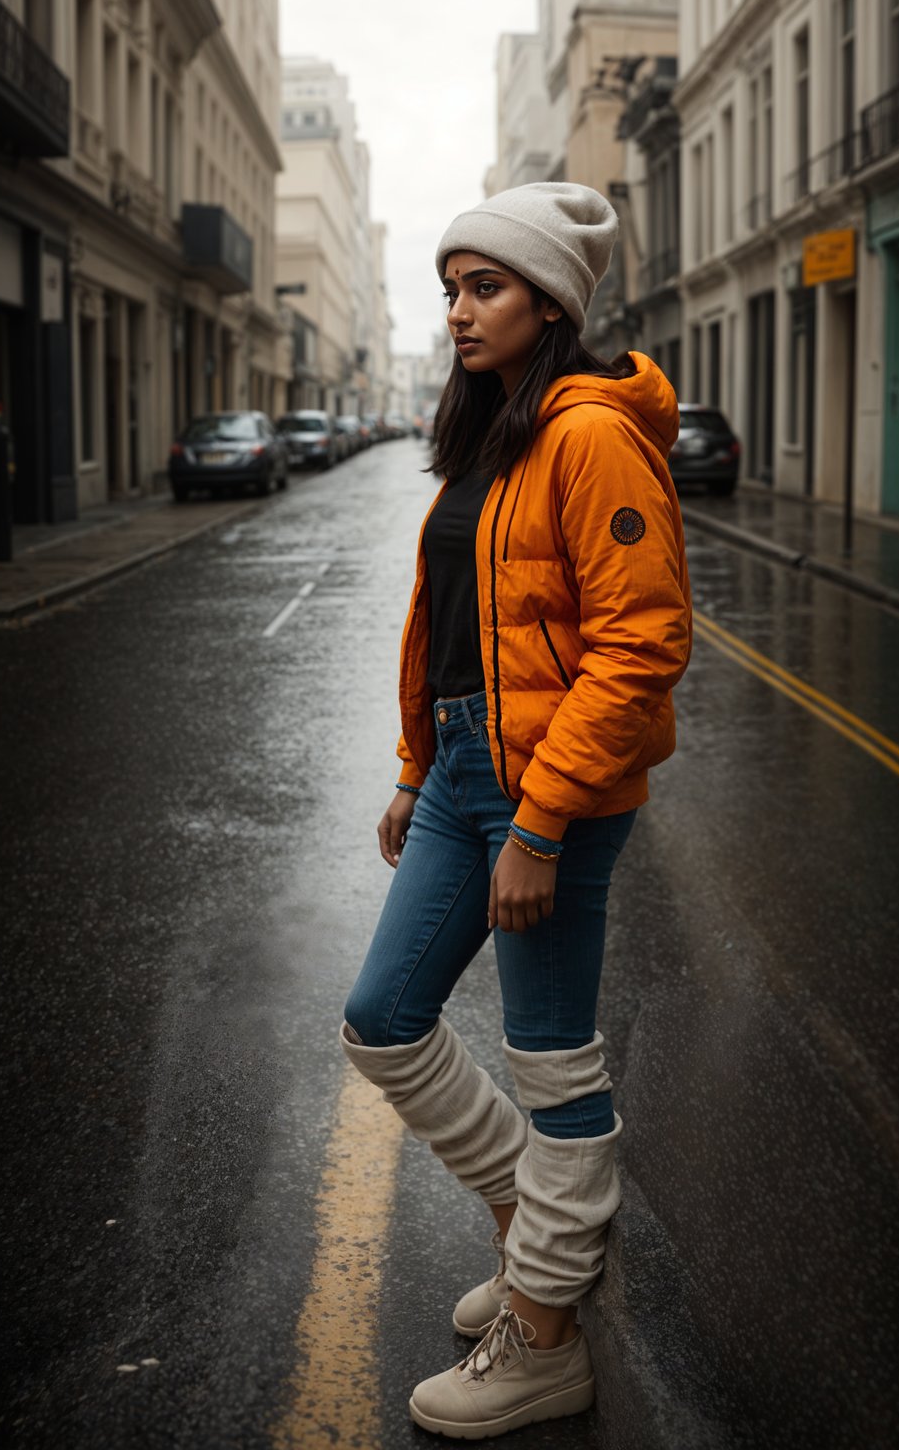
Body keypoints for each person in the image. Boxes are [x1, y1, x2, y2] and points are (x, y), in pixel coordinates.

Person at [340, 182, 692, 1440]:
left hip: (556, 789)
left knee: (551, 1062)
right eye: (449, 288)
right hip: (459, 775)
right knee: (382, 1019)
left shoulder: (592, 435)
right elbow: (449, 628)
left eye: (484, 286)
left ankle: (542, 1337)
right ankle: (534, 1237)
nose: (457, 312)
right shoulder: (492, 433)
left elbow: (641, 642)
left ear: (551, 302)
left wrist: (539, 824)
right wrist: (411, 764)